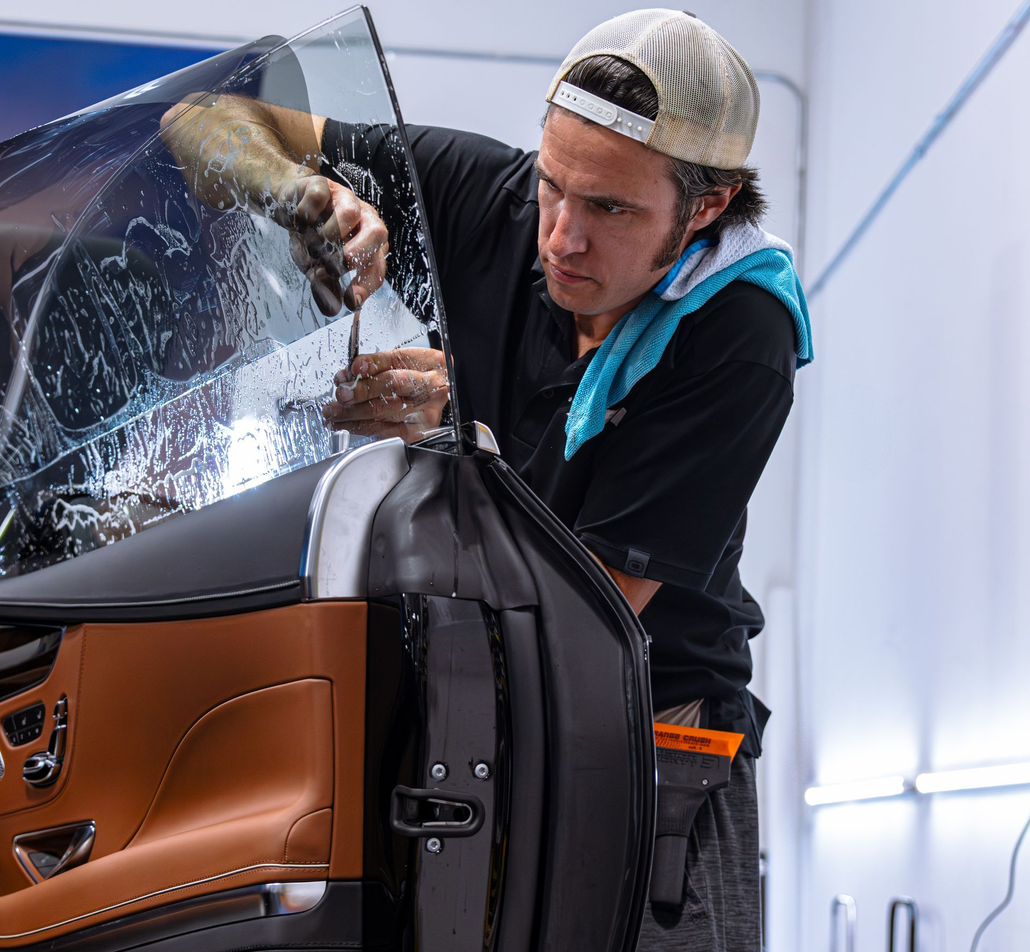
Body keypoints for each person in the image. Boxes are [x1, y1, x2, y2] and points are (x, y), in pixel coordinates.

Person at [162, 9, 812, 948]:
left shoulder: (739, 331)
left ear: (703, 208)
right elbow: (201, 120)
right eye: (554, 185)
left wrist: (457, 440)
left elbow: (584, 618)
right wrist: (300, 193)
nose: (562, 238)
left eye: (611, 210)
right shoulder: (486, 197)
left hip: (650, 746)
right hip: (474, 713)